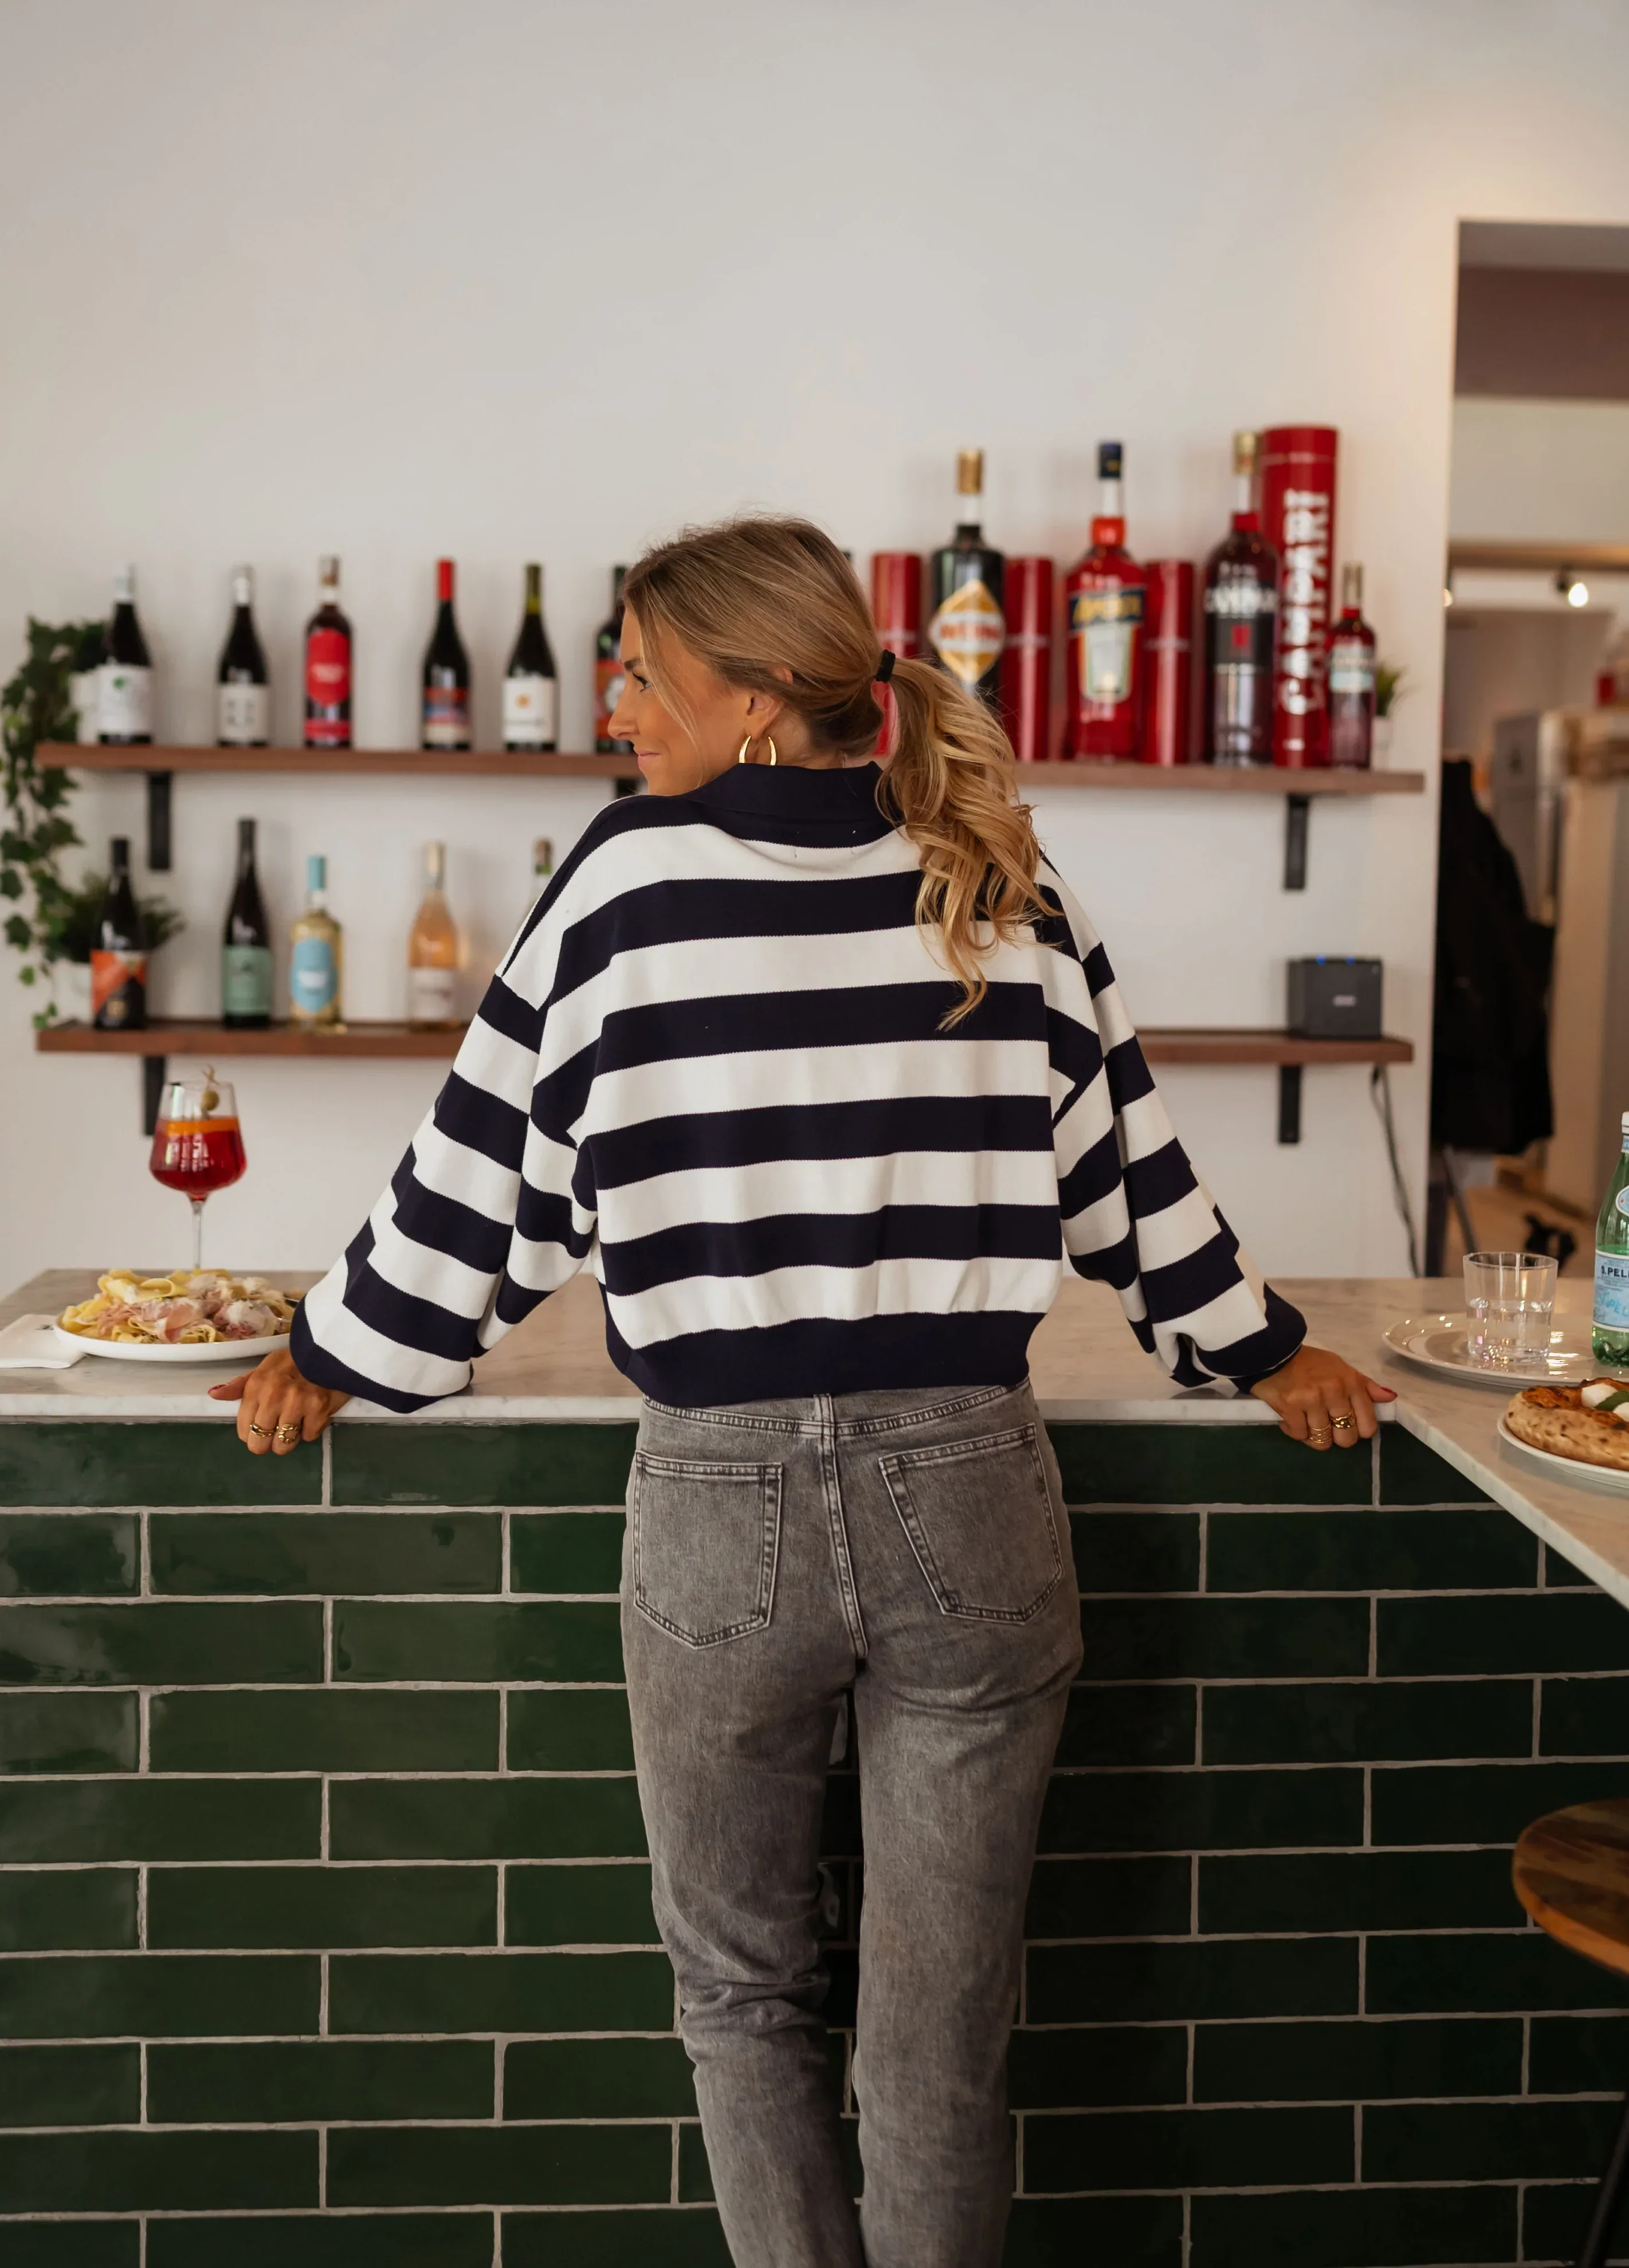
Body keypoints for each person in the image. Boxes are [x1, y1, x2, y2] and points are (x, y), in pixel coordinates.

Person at [216, 515, 1394, 2268]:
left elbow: (491, 1173)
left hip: (720, 1506)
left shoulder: (625, 882)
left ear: (760, 694)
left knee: (744, 1999)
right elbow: (1132, 1180)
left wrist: (336, 1350)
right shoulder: (995, 875)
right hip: (976, 1498)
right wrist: (1267, 1350)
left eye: (644, 672)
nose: (617, 705)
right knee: (942, 2033)